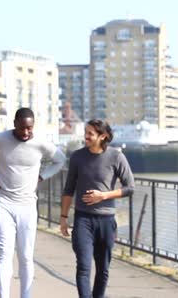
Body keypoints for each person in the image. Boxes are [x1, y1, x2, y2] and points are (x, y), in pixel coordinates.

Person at [0, 107, 66, 298]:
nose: (26, 132)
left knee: (25, 257)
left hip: (27, 207)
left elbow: (60, 160)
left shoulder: (40, 143)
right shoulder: (0, 139)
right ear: (14, 124)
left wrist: (42, 176)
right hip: (3, 203)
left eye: (30, 128)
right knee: (4, 255)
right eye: (22, 127)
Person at [60, 119, 135, 298]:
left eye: (90, 133)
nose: (86, 136)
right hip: (82, 220)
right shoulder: (77, 157)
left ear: (103, 136)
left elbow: (130, 187)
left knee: (103, 270)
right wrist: (63, 217)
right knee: (84, 267)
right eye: (85, 132)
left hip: (106, 221)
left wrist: (104, 195)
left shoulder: (116, 157)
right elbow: (69, 188)